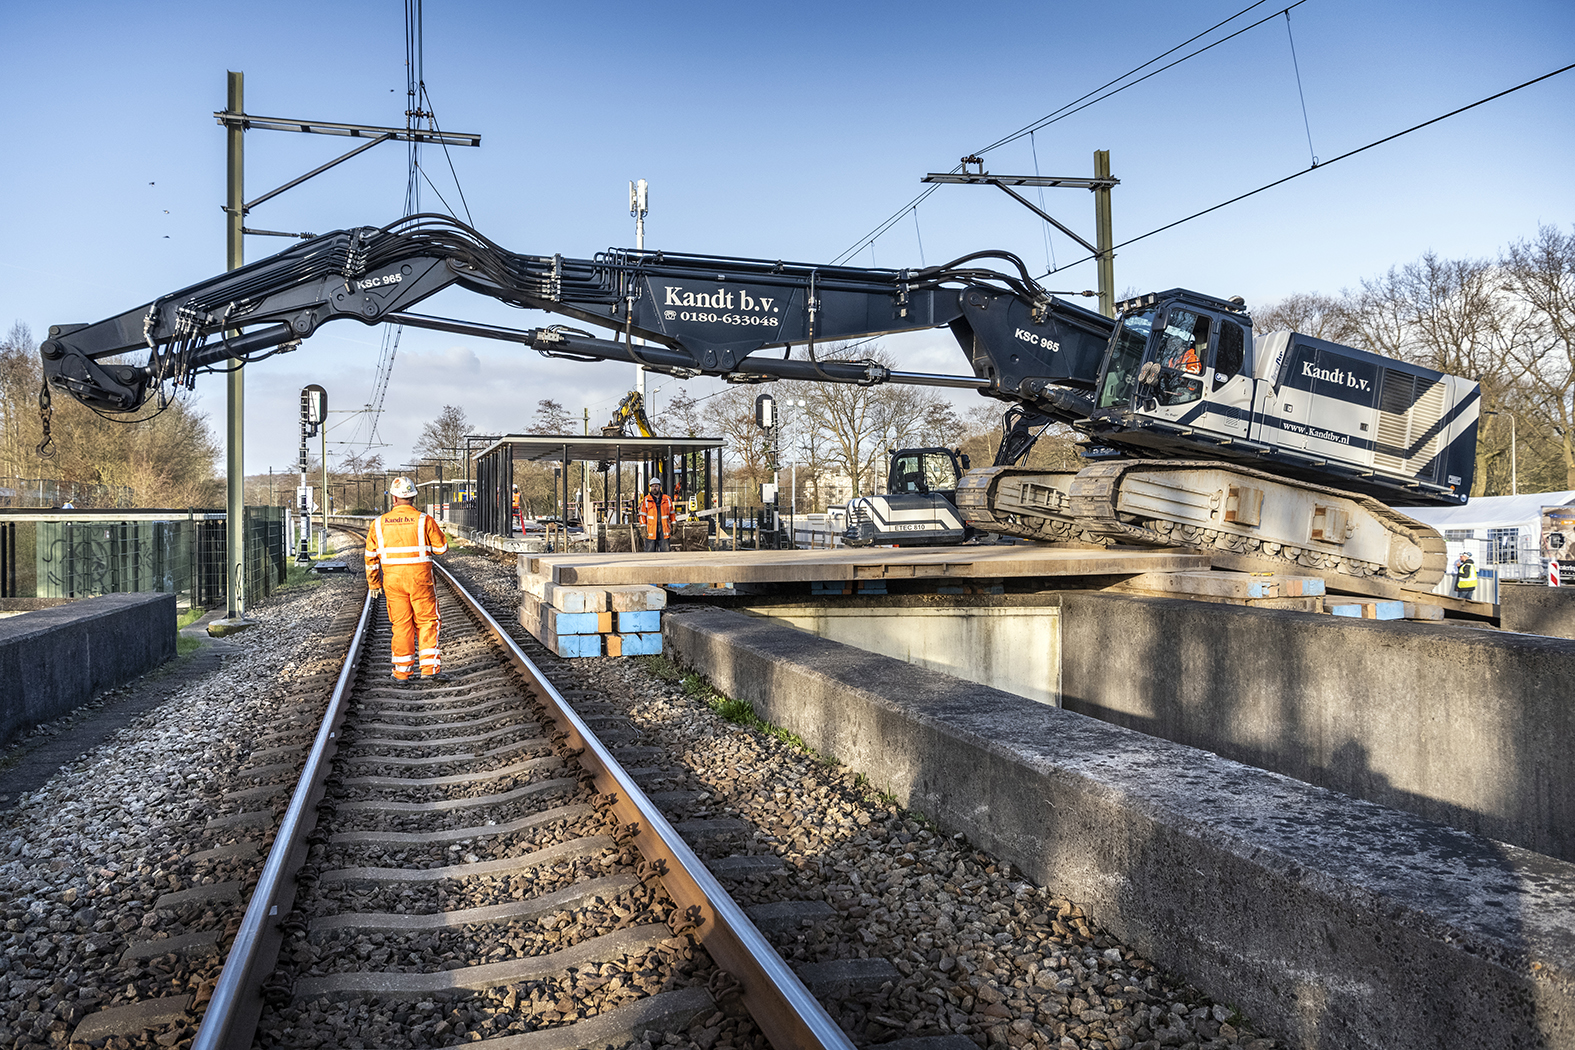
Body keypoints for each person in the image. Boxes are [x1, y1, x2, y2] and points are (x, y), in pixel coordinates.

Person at [364, 477, 449, 682]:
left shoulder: (378, 524)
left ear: (394, 498)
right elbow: (441, 549)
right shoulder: (424, 520)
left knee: (401, 624)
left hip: (393, 582)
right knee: (427, 621)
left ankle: (402, 673)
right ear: (413, 497)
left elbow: (370, 558)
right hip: (420, 580)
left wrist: (374, 583)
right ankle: (429, 670)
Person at [638, 478, 675, 552]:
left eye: (656, 486)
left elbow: (672, 513)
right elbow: (642, 515)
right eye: (653, 486)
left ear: (660, 487)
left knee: (665, 554)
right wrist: (643, 527)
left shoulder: (667, 499)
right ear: (650, 488)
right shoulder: (646, 500)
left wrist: (674, 523)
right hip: (651, 531)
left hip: (664, 530)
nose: (654, 488)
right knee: (649, 555)